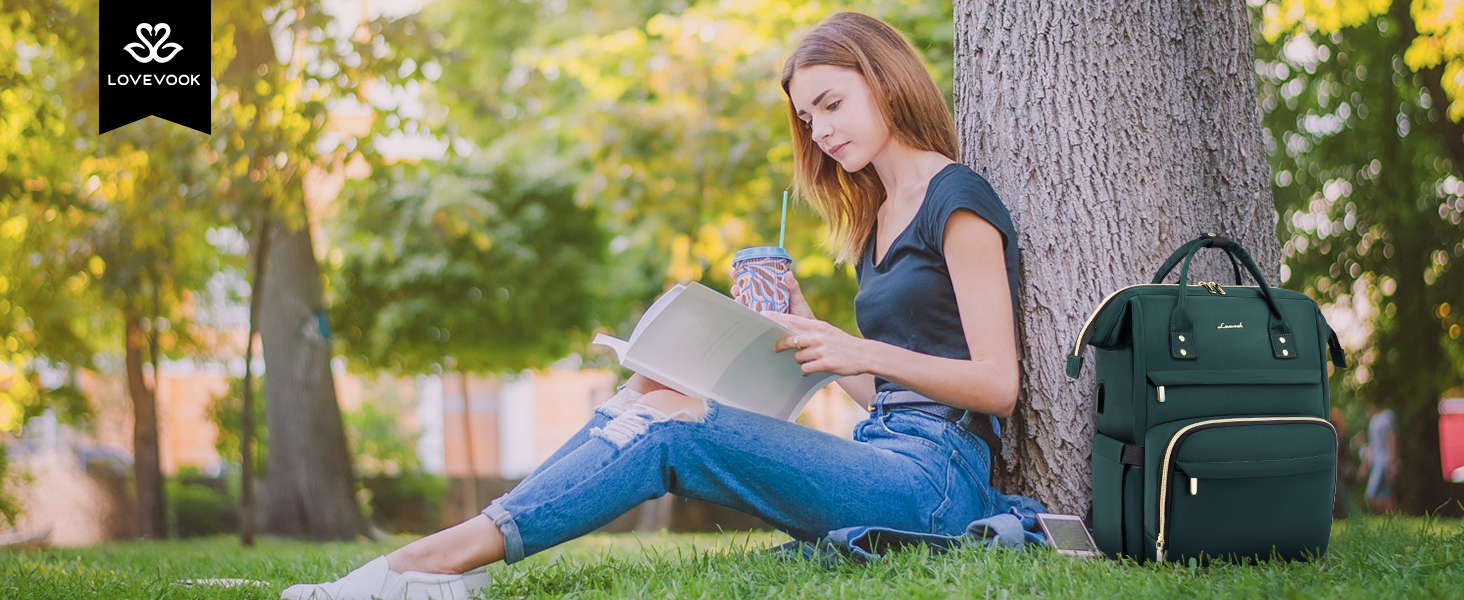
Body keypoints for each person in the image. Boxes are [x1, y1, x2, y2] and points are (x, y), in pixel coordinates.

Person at [281, 12, 1033, 600]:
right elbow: (886, 392)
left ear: (886, 79)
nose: (821, 131)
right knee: (647, 391)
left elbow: (997, 384)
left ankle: (432, 559)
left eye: (832, 104)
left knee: (675, 432)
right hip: (884, 447)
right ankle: (467, 546)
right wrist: (806, 326)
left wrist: (860, 347)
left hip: (938, 479)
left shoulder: (955, 199)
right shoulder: (877, 219)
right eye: (807, 119)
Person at [1361, 402, 1399, 513]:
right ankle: (1391, 520)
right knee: (1384, 496)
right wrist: (1365, 465)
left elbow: (1392, 438)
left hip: (1384, 462)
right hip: (1376, 462)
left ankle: (1392, 518)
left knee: (1370, 495)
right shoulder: (1373, 421)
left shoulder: (1386, 417)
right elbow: (1373, 446)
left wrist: (1392, 462)